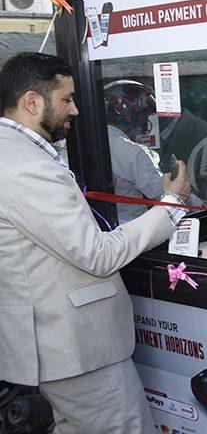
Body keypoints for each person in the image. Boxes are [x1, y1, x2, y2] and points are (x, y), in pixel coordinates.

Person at [0, 52, 191, 433]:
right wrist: (172, 206)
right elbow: (97, 255)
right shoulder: (22, 165)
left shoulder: (18, 153)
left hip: (61, 346)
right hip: (76, 349)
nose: (74, 110)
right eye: (66, 99)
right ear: (32, 102)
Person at [104, 80, 166, 223]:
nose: (145, 121)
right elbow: (162, 192)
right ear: (126, 112)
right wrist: (202, 206)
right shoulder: (131, 151)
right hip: (132, 226)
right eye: (144, 114)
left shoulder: (91, 140)